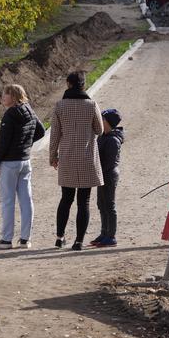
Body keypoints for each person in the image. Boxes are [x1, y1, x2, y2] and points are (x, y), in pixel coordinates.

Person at [50, 71, 104, 251]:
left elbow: (55, 134)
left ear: (68, 84)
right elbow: (99, 130)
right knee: (84, 201)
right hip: (87, 157)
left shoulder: (60, 106)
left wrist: (53, 156)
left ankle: (59, 237)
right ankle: (79, 241)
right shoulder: (91, 105)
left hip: (66, 157)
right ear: (83, 84)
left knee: (66, 198)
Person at [0, 84, 45, 249]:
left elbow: (3, 143)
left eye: (5, 95)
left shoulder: (9, 115)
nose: (2, 98)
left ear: (13, 97)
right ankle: (25, 239)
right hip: (25, 161)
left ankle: (6, 239)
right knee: (26, 200)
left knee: (8, 201)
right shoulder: (29, 110)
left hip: (9, 163)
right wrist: (25, 144)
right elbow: (41, 131)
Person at [91, 109, 124, 248]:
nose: (100, 121)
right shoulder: (103, 136)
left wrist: (97, 171)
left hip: (109, 175)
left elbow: (108, 162)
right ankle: (104, 233)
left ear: (108, 122)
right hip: (102, 174)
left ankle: (111, 236)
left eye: (102, 119)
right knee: (101, 204)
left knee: (109, 205)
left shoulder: (112, 140)